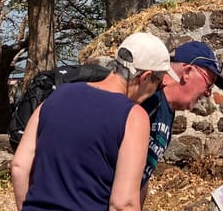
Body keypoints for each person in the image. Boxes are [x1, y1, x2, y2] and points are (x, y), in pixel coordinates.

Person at [11, 32, 180, 211]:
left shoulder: (58, 94)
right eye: (159, 84)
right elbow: (124, 203)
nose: (156, 93)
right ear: (145, 77)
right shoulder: (133, 117)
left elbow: (19, 166)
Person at [139, 41, 223, 204]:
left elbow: (142, 178)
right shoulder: (146, 98)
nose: (208, 93)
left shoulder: (167, 111)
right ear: (187, 71)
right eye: (209, 82)